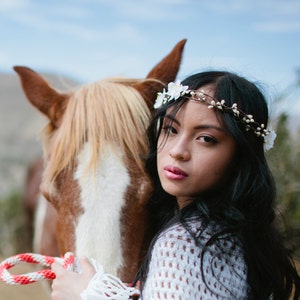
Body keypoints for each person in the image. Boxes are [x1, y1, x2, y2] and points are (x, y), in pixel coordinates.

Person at [51, 71, 300, 300]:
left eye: (206, 138)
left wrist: (87, 294)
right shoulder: (240, 234)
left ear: (240, 156)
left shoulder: (182, 244)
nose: (177, 151)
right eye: (170, 129)